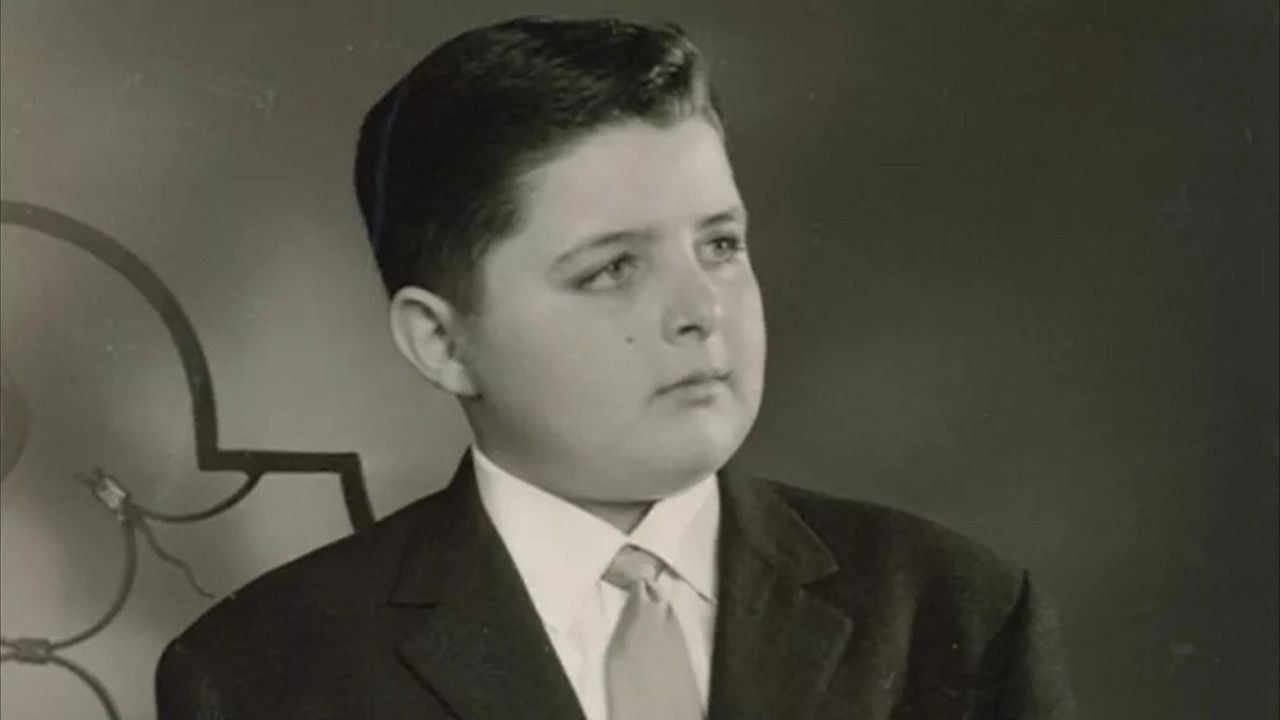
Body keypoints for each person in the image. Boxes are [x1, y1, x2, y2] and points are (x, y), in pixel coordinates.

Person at [155, 16, 1075, 719]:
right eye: (611, 270)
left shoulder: (952, 611)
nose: (702, 310)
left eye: (720, 244)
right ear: (441, 341)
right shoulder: (260, 674)